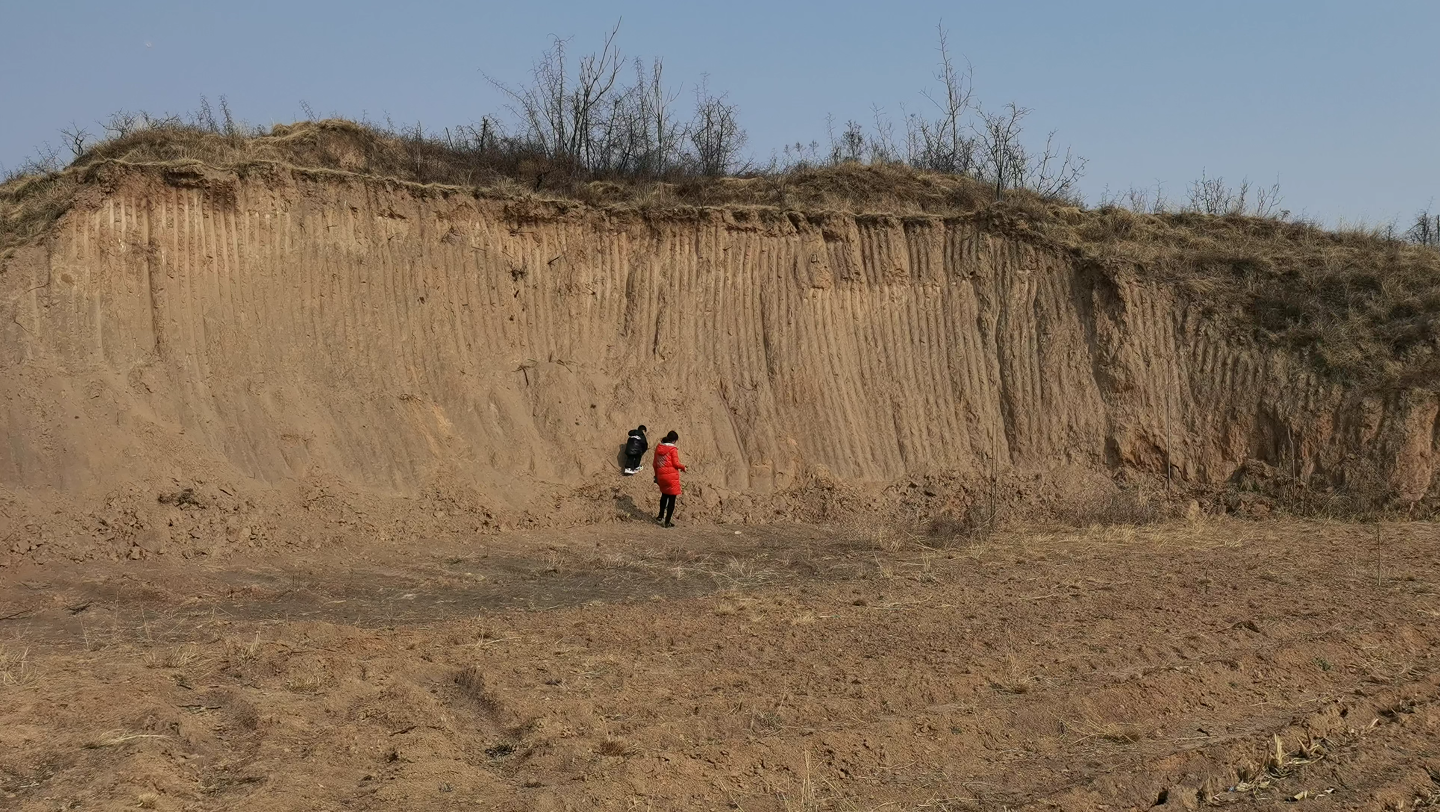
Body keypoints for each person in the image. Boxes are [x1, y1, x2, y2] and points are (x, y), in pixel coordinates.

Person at [652, 430, 686, 527]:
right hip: (671, 477)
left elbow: (654, 464)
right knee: (672, 499)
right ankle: (667, 522)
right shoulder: (673, 449)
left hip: (661, 476)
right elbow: (675, 463)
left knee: (664, 495)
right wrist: (683, 467)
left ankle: (660, 516)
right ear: (674, 441)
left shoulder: (659, 448)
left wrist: (656, 476)